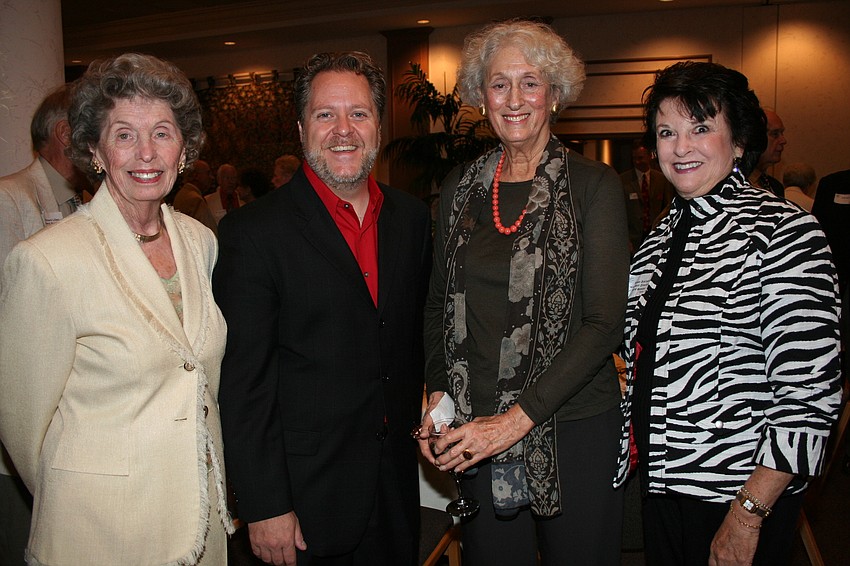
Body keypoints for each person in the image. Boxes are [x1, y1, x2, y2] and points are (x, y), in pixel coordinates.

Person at [0, 53, 234, 565]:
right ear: (95, 149)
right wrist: (85, 487)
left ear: (184, 148)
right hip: (98, 531)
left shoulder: (199, 241)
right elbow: (22, 426)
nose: (146, 152)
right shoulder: (47, 260)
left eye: (162, 133)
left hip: (200, 523)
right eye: (124, 134)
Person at [416, 19, 629, 566]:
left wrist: (514, 421)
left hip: (574, 428)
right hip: (476, 430)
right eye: (499, 83)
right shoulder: (460, 188)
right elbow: (437, 303)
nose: (514, 99)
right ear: (480, 95)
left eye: (529, 83)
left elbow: (605, 323)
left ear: (554, 94)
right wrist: (438, 395)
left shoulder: (593, 185)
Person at [616, 61, 842, 566]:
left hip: (738, 492)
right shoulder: (656, 242)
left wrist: (748, 513)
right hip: (663, 483)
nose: (680, 147)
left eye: (700, 128)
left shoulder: (784, 233)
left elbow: (809, 398)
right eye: (666, 132)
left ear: (738, 141)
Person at [214, 51, 431, 566]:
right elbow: (245, 384)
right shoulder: (253, 233)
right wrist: (265, 504)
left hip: (395, 492)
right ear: (300, 128)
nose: (343, 130)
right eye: (325, 114)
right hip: (304, 503)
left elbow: (417, 336)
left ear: (378, 126)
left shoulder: (412, 219)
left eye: (358, 113)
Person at [0, 83, 86, 566]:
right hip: (24, 439)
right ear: (66, 133)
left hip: (77, 438)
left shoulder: (88, 205)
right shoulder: (8, 199)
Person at [620, 139, 675, 252]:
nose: (637, 162)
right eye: (634, 158)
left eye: (640, 158)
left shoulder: (662, 179)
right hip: (633, 238)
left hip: (656, 235)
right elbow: (619, 212)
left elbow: (668, 207)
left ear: (650, 156)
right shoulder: (623, 180)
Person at [172, 158, 218, 233]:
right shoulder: (195, 199)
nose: (211, 177)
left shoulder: (184, 193)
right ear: (195, 175)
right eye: (208, 173)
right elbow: (205, 230)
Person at [748, 108, 787, 197]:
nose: (783, 140)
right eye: (775, 134)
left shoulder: (776, 187)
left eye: (782, 133)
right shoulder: (731, 185)